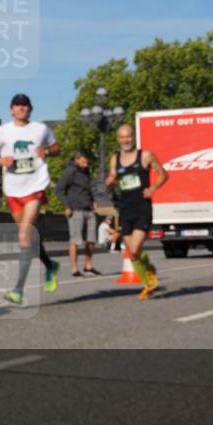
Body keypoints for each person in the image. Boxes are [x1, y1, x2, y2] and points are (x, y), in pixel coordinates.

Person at [0, 93, 61, 304]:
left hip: (35, 186)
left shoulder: (40, 129)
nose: (21, 109)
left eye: (25, 106)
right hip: (13, 190)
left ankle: (17, 289)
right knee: (30, 237)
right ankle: (50, 265)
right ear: (11, 109)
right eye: (17, 106)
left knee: (24, 237)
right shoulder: (2, 131)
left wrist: (47, 151)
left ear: (30, 109)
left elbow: (56, 148)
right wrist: (0, 159)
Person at [105, 124, 169, 300]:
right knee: (132, 252)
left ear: (134, 137)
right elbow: (112, 177)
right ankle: (149, 273)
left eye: (129, 136)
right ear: (118, 139)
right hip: (125, 209)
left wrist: (153, 188)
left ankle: (148, 284)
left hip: (142, 208)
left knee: (134, 249)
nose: (126, 140)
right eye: (122, 137)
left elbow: (163, 173)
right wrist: (110, 182)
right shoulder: (115, 158)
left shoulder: (145, 155)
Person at [55, 150, 102, 276]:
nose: (86, 161)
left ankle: (88, 265)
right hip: (76, 211)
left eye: (87, 159)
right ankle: (74, 269)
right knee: (75, 241)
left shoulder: (86, 171)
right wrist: (67, 206)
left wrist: (93, 201)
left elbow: (88, 188)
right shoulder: (70, 172)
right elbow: (58, 190)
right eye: (84, 159)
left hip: (89, 210)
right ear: (77, 159)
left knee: (91, 240)